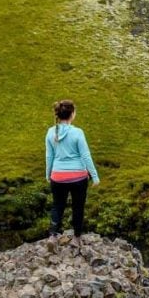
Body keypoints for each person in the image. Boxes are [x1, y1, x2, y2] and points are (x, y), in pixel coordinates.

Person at [45, 99, 99, 240]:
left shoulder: (51, 132)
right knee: (78, 206)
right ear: (72, 114)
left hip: (57, 176)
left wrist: (48, 174)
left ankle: (52, 234)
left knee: (57, 206)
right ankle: (77, 236)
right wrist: (95, 176)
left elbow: (49, 156)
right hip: (78, 177)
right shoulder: (78, 132)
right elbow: (85, 155)